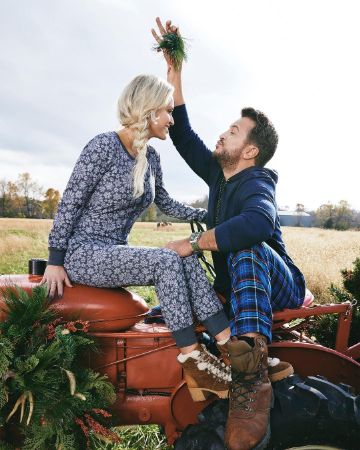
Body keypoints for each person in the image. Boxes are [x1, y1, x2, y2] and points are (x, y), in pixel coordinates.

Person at [152, 18, 307, 450]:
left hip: (281, 285)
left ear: (251, 151)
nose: (222, 133)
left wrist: (196, 241)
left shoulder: (257, 182)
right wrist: (176, 77)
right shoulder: (219, 177)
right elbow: (183, 135)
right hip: (240, 283)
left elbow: (257, 223)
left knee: (244, 243)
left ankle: (251, 375)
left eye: (233, 132)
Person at [40, 74, 233, 402]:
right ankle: (195, 362)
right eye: (168, 112)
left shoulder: (152, 158)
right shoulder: (102, 146)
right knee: (168, 257)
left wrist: (211, 217)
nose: (172, 120)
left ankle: (233, 350)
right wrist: (55, 260)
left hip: (114, 249)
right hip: (84, 252)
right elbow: (69, 202)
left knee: (181, 255)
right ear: (149, 110)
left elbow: (166, 204)